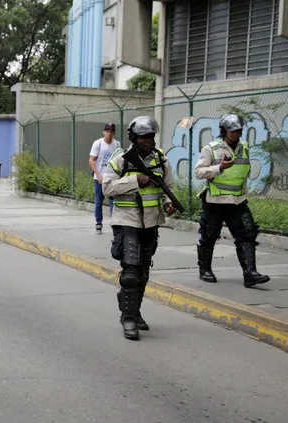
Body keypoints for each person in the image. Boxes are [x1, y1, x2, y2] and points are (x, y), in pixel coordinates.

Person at [102, 116, 176, 341]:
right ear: (134, 137)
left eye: (151, 136)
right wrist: (136, 181)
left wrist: (168, 203)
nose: (148, 140)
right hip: (127, 221)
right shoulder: (121, 159)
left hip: (151, 222)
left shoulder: (161, 158)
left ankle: (135, 310)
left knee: (143, 272)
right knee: (131, 272)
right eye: (144, 136)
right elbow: (107, 187)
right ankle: (128, 318)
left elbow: (168, 186)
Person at [194, 114, 270, 288]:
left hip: (237, 201)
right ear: (224, 131)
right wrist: (219, 167)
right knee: (209, 236)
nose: (236, 134)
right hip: (215, 201)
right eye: (232, 131)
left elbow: (243, 172)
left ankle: (250, 273)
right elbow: (199, 172)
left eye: (238, 131)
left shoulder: (244, 147)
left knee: (248, 233)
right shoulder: (211, 148)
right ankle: (205, 269)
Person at [89, 123, 121, 234]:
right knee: (99, 202)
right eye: (107, 130)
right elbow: (91, 160)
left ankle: (114, 224)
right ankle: (98, 224)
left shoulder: (117, 144)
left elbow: (119, 161)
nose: (109, 133)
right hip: (99, 178)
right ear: (104, 131)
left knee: (113, 202)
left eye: (111, 131)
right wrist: (98, 175)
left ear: (114, 133)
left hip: (112, 178)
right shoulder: (98, 143)